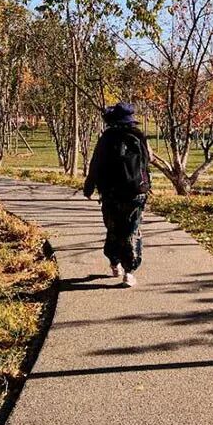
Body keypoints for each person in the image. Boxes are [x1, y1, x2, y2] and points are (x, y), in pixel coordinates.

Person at [83, 102, 151, 287]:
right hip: (136, 192)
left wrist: (89, 187)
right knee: (131, 229)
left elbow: (95, 164)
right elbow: (148, 160)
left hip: (111, 193)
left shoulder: (106, 138)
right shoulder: (138, 136)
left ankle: (115, 263)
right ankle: (129, 273)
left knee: (113, 228)